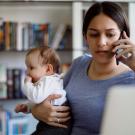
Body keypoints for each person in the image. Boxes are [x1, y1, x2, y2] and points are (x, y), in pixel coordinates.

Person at [30, 1, 135, 135]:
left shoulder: (131, 78)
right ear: (86, 37)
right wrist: (36, 109)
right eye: (94, 34)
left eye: (110, 34)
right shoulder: (79, 64)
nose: (101, 42)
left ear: (123, 36)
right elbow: (49, 96)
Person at [15, 46, 71, 135]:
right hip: (48, 124)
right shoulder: (46, 82)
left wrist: (27, 84)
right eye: (27, 68)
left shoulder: (49, 81)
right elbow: (40, 101)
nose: (27, 72)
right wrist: (27, 107)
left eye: (31, 68)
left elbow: (36, 97)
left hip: (57, 126)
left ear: (48, 69)